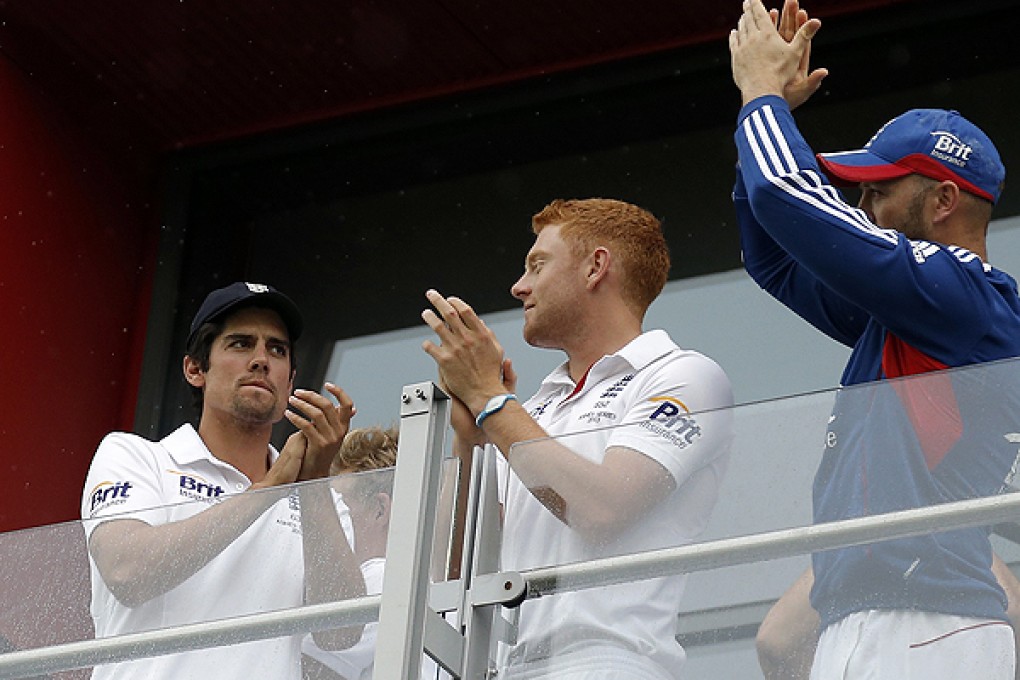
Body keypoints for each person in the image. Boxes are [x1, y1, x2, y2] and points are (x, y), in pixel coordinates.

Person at [730, 1, 1020, 677]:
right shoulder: (910, 310)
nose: (863, 209)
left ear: (944, 200)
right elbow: (774, 255)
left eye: (878, 192)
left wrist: (761, 98)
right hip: (870, 623)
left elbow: (785, 196)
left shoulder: (965, 296)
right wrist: (764, 115)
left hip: (932, 625)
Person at [421, 198, 734, 679]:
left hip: (611, 661)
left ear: (596, 267)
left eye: (537, 265)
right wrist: (473, 440)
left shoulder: (685, 374)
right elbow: (453, 571)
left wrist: (491, 401)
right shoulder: (535, 408)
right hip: (511, 664)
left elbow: (603, 510)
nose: (519, 286)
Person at [81, 281, 366, 680]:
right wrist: (267, 491)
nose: (261, 360)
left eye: (277, 350)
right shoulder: (136, 456)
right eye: (240, 344)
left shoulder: (323, 499)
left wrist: (312, 483)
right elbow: (128, 572)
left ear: (291, 381)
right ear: (195, 369)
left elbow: (341, 632)